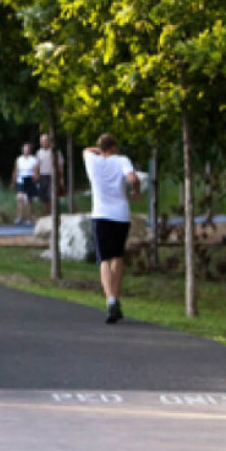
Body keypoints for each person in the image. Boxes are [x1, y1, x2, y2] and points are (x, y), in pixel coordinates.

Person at [83, 133, 141, 324]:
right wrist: (136, 191)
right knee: (117, 257)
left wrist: (99, 150)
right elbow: (133, 179)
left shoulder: (92, 160)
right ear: (115, 147)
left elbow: (86, 150)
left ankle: (110, 300)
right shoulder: (122, 160)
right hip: (120, 214)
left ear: (100, 148)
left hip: (100, 214)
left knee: (104, 259)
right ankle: (116, 298)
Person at [11, 142, 39, 225]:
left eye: (27, 149)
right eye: (24, 149)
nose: (26, 151)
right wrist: (13, 181)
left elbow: (36, 171)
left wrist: (35, 179)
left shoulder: (33, 159)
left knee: (30, 200)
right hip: (21, 180)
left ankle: (30, 218)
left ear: (29, 150)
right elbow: (16, 171)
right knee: (20, 198)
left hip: (30, 179)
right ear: (22, 150)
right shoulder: (19, 159)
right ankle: (19, 217)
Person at [36, 133, 65, 210]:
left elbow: (60, 165)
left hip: (52, 176)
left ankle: (52, 214)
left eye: (46, 141)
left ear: (49, 141)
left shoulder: (55, 152)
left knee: (51, 196)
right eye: (42, 141)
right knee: (43, 197)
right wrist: (36, 176)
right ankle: (46, 213)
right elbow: (37, 166)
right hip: (42, 176)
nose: (44, 142)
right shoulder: (39, 153)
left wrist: (61, 178)